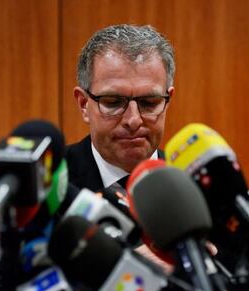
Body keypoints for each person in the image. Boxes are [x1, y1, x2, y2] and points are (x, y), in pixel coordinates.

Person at [66, 24, 175, 191]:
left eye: (149, 103)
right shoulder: (49, 187)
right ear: (83, 104)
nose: (133, 120)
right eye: (113, 102)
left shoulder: (193, 187)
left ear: (167, 101)